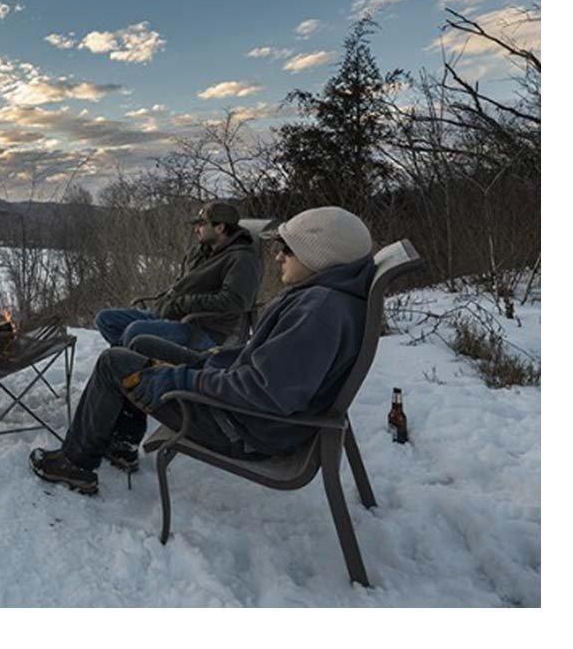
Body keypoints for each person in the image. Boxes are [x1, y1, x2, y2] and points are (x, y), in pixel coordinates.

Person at [30, 206, 375, 495]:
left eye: (288, 248)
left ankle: (75, 463)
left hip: (241, 427)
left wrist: (180, 378)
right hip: (237, 401)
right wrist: (209, 362)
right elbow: (265, 367)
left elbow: (265, 392)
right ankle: (121, 444)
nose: (277, 254)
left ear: (320, 254)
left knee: (113, 362)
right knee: (140, 344)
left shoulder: (318, 312)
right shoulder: (321, 296)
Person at [92, 200, 262, 470]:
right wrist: (170, 302)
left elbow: (235, 301)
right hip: (170, 316)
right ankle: (129, 380)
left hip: (203, 331)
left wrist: (184, 304)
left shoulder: (242, 259)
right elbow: (184, 284)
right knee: (107, 319)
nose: (196, 229)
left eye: (202, 224)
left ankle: (126, 428)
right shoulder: (204, 251)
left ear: (220, 227)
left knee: (135, 334)